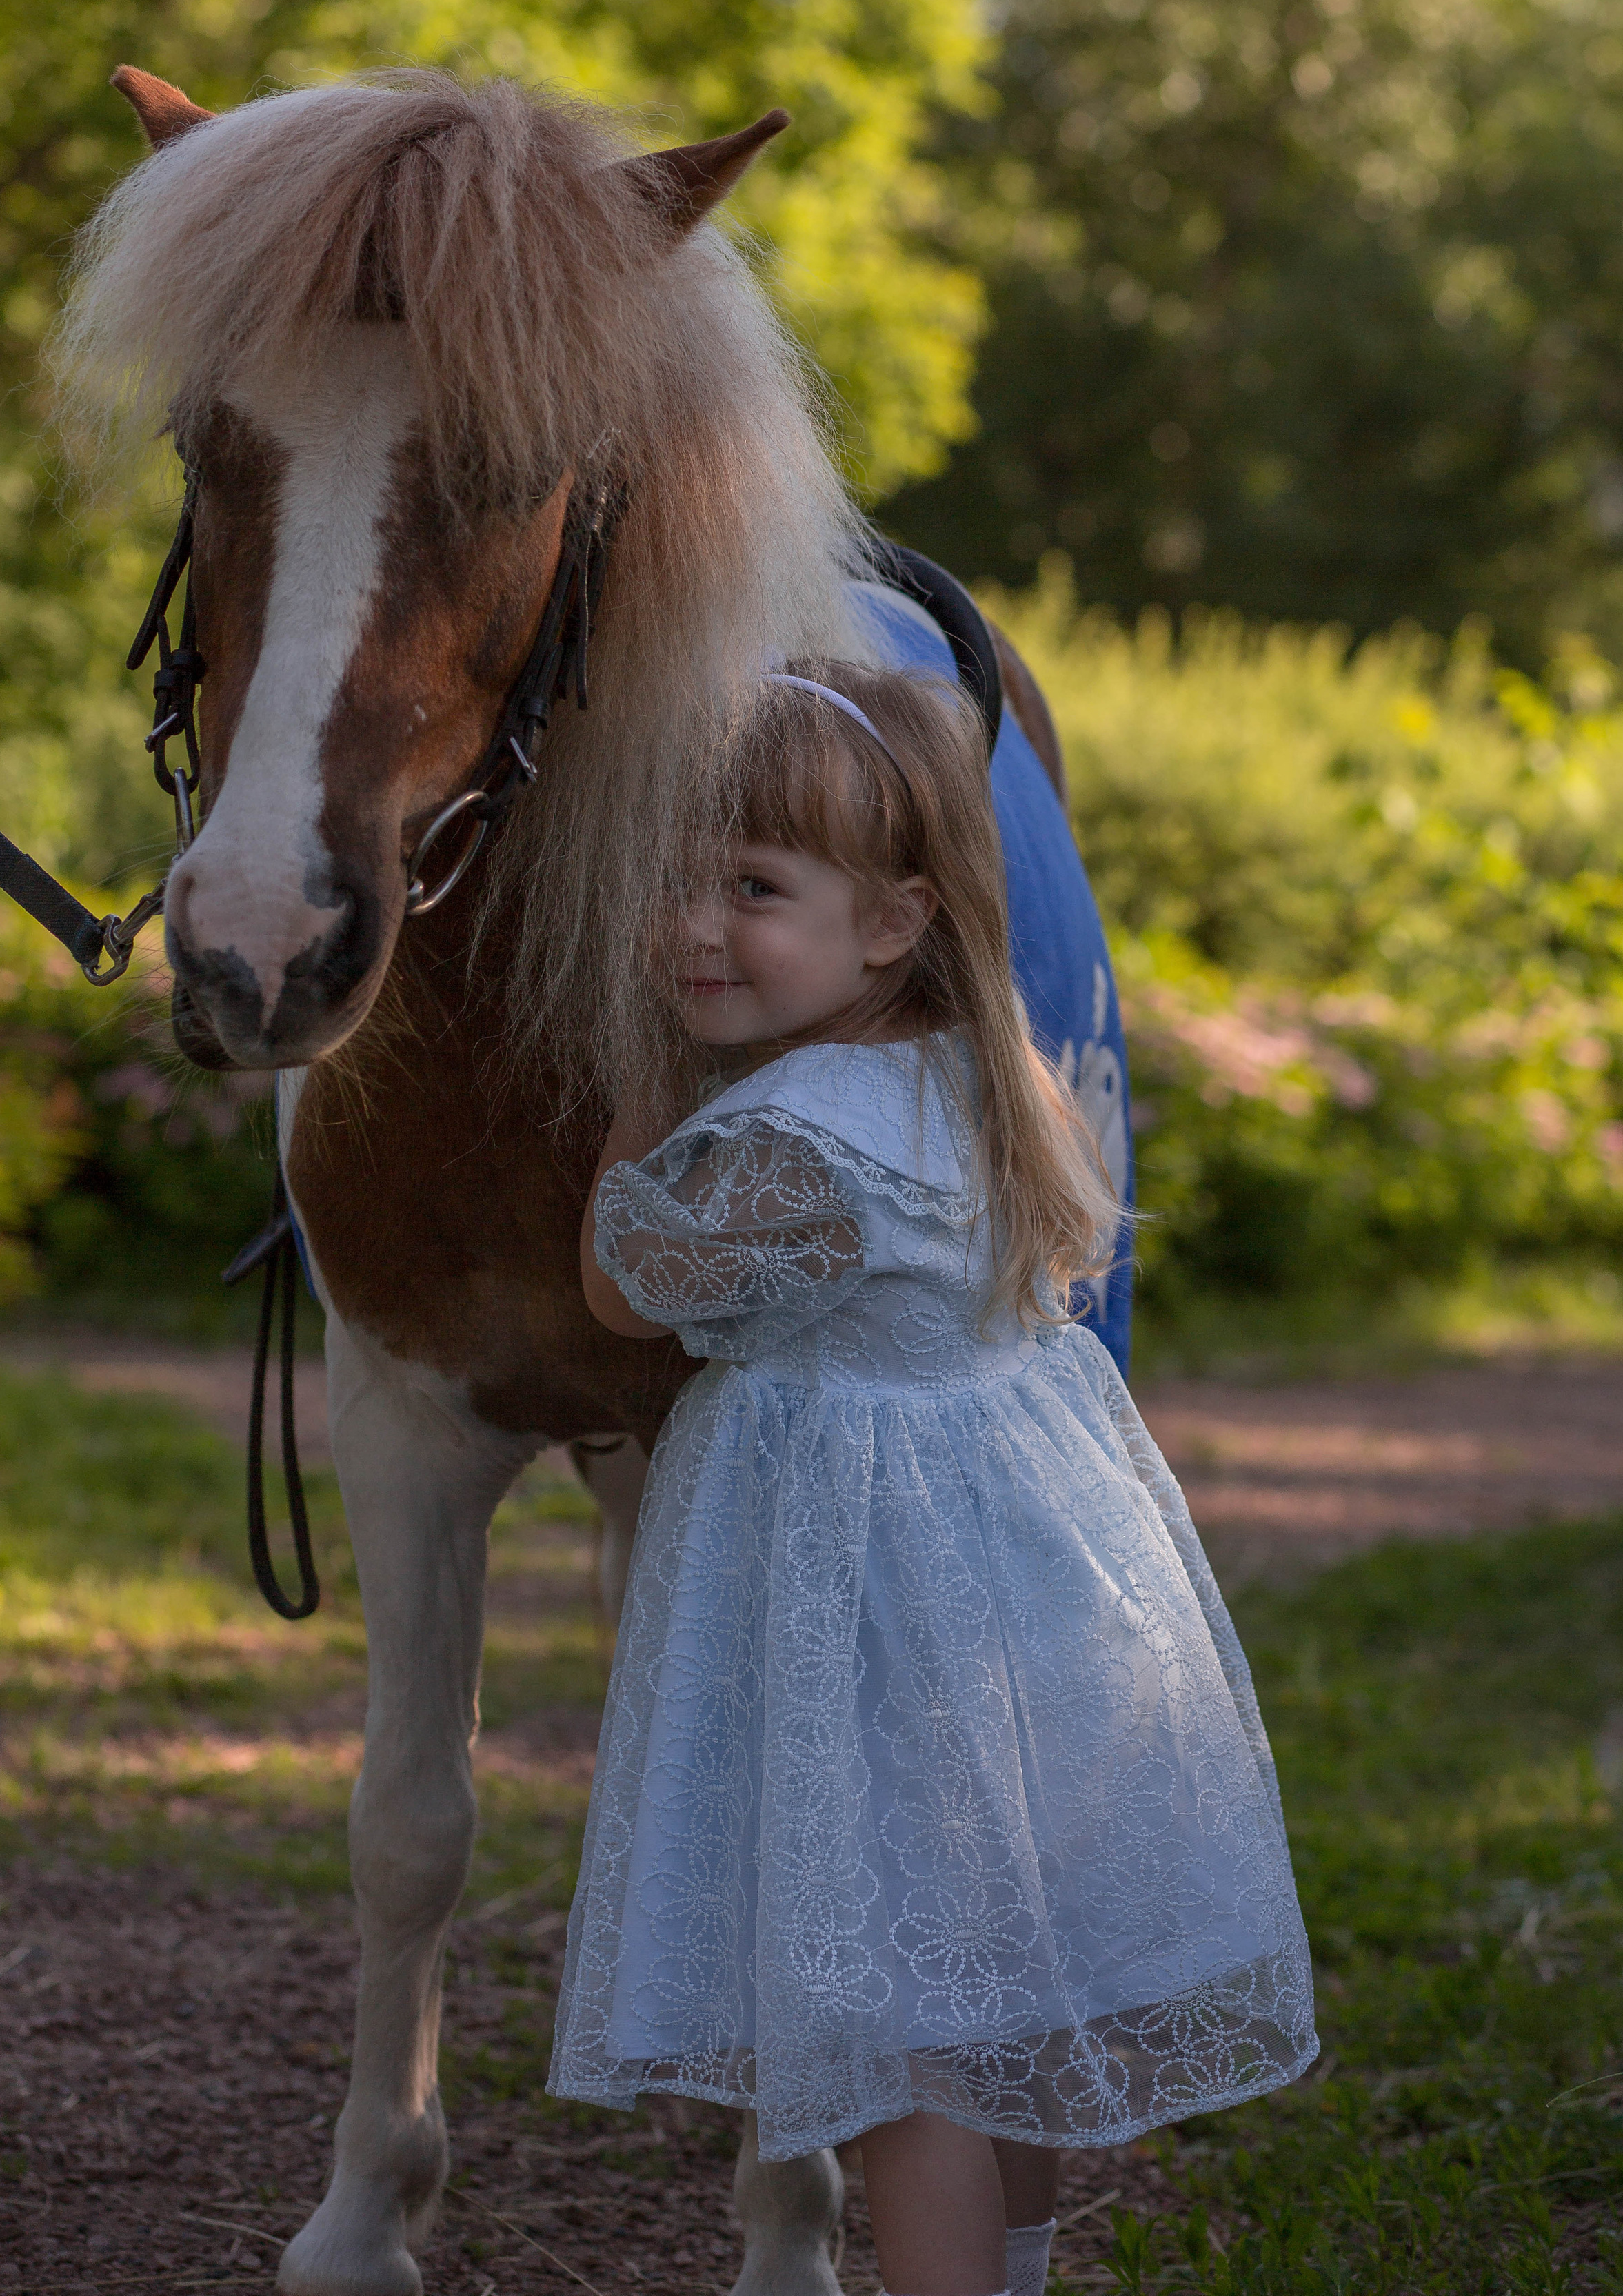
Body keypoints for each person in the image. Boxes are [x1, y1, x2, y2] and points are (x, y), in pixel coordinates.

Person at [547, 661, 1316, 2296]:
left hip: (870, 1612)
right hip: (1010, 1594)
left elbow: (628, 1286)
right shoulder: (979, 1078)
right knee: (998, 2009)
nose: (691, 927)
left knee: (894, 2052)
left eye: (750, 889)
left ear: (892, 921)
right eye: (670, 882)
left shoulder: (787, 1135)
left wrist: (632, 1088)